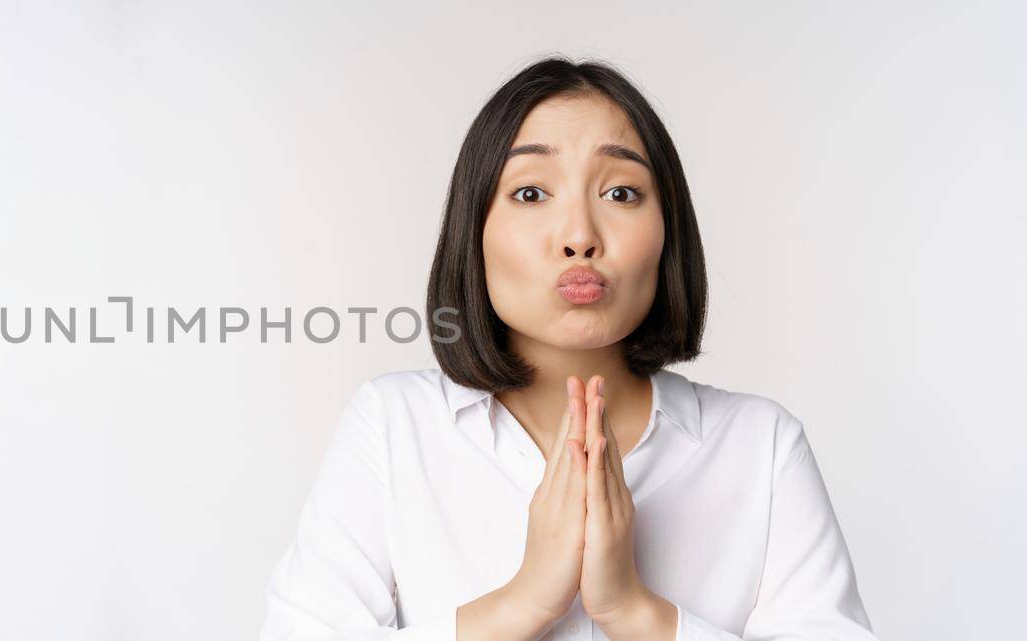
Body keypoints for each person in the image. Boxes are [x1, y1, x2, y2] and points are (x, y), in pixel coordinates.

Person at [259, 57, 878, 641]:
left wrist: (637, 612)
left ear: (669, 233)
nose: (580, 236)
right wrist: (523, 602)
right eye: (531, 193)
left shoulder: (761, 446)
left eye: (621, 193)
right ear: (474, 230)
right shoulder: (394, 427)